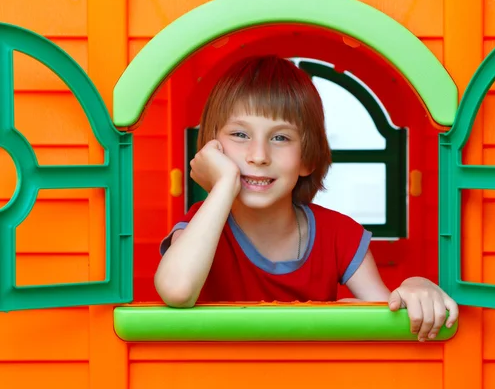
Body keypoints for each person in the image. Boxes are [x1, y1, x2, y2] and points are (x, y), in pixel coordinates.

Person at [155, 55, 458, 341]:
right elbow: (177, 290)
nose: (258, 156)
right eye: (240, 135)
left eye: (280, 138)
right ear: (212, 149)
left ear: (307, 159)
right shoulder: (201, 227)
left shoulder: (340, 234)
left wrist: (413, 287)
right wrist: (223, 185)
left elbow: (384, 310)